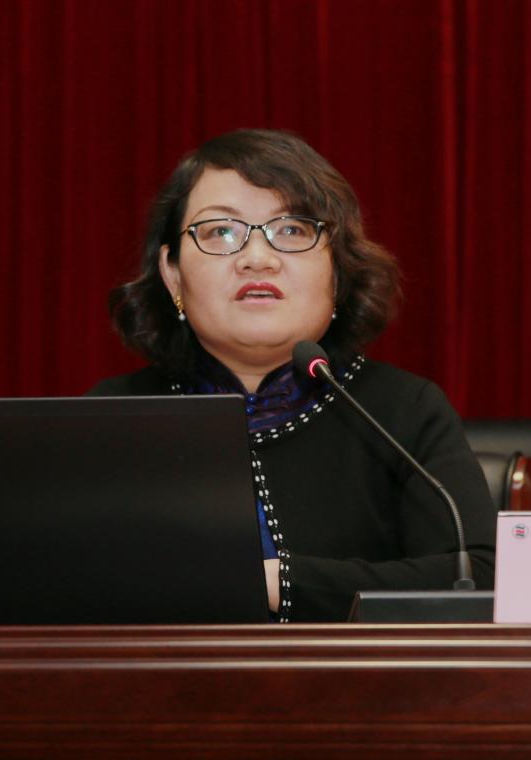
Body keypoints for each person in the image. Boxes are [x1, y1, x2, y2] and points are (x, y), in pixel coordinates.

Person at [90, 129, 496, 622]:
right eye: (220, 232)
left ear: (337, 274)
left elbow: (479, 577)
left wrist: (280, 581)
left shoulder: (401, 412)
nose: (257, 258)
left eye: (292, 230)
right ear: (172, 273)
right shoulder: (112, 419)